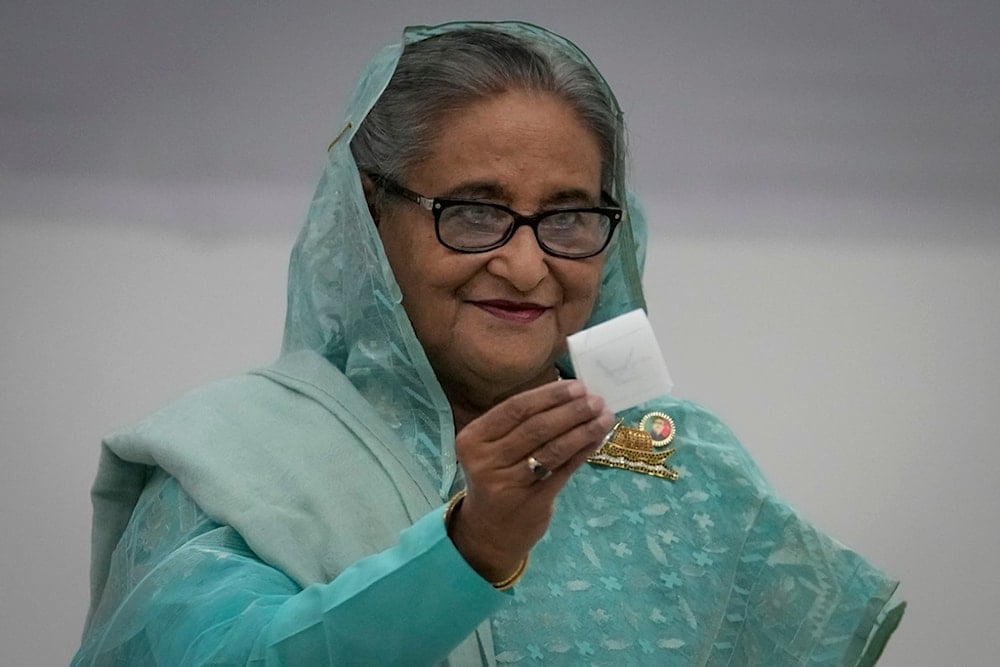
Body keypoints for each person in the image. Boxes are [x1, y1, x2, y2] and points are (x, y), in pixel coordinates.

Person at [73, 21, 903, 665]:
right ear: (370, 218)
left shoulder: (674, 462)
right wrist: (469, 550)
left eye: (568, 216)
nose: (527, 265)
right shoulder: (238, 461)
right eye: (474, 211)